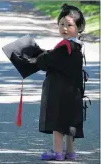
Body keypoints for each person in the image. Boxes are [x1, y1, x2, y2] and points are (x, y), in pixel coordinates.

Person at [28, 3, 86, 161]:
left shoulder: (64, 46)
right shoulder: (77, 46)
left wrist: (38, 57)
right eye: (61, 24)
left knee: (57, 123)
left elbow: (48, 61)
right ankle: (71, 152)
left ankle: (58, 152)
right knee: (70, 123)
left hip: (60, 92)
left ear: (79, 27)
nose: (64, 28)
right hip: (73, 92)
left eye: (69, 25)